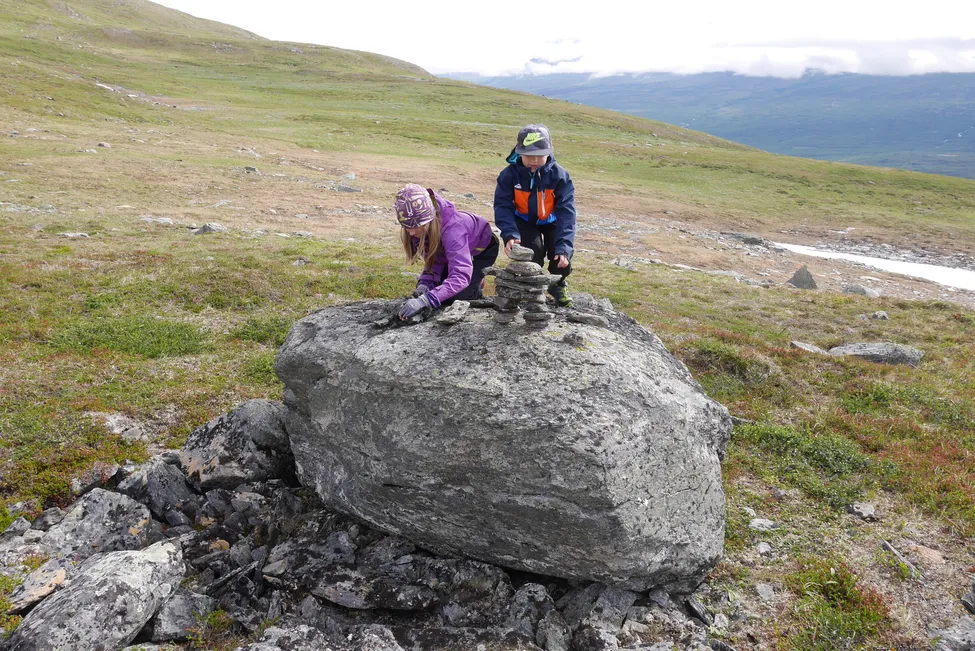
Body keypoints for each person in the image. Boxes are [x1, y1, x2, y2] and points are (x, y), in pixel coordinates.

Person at [493, 124, 576, 307]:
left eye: (539, 155)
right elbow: (503, 206)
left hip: (553, 220)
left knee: (561, 257)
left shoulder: (560, 176)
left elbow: (567, 213)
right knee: (532, 255)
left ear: (549, 152)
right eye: (529, 155)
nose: (534, 160)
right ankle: (532, 289)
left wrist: (565, 246)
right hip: (524, 220)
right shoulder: (509, 175)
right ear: (518, 152)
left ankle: (558, 284)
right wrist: (510, 234)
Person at [395, 183, 499, 320]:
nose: (412, 232)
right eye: (407, 227)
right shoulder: (420, 227)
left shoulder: (453, 232)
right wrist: (424, 285)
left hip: (482, 249)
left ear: (429, 219)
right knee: (436, 291)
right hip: (453, 247)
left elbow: (460, 276)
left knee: (455, 297)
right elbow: (434, 258)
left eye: (415, 227)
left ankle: (476, 284)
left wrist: (425, 300)